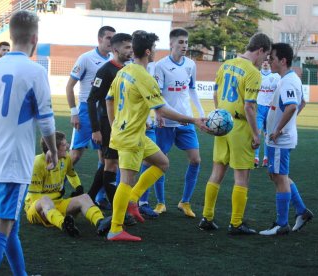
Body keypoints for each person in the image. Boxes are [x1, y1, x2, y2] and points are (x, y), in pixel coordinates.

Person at [0, 11, 58, 275]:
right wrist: (53, 151)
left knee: (10, 225)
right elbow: (47, 121)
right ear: (35, 39)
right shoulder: (35, 72)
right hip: (13, 163)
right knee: (0, 227)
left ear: (11, 36)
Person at [106, 31, 209, 241]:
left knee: (162, 163)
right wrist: (194, 120)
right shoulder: (144, 76)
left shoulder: (124, 71)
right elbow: (161, 110)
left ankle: (134, 199)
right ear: (147, 51)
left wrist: (114, 123)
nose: (155, 51)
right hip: (131, 137)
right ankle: (115, 228)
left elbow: (109, 99)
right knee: (126, 180)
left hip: (133, 133)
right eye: (154, 48)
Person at [198, 32, 271, 235]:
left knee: (217, 172)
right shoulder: (253, 72)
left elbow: (215, 94)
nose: (265, 60)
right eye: (266, 56)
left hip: (223, 125)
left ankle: (207, 217)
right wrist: (256, 134)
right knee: (242, 176)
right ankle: (236, 223)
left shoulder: (226, 64)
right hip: (239, 126)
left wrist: (218, 118)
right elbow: (249, 107)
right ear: (260, 50)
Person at [142, 28, 205, 218]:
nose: (184, 46)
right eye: (180, 42)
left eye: (186, 42)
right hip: (166, 123)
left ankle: (185, 202)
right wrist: (159, 113)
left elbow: (192, 90)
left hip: (186, 122)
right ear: (171, 44)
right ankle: (160, 202)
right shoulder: (159, 66)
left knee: (196, 160)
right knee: (159, 162)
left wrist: (201, 113)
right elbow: (158, 95)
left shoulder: (191, 65)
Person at [259, 43, 313, 235]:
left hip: (279, 140)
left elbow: (291, 107)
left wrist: (279, 129)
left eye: (271, 58)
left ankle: (282, 224)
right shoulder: (289, 79)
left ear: (282, 60)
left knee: (280, 178)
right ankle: (302, 211)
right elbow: (302, 102)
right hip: (278, 138)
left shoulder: (288, 81)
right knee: (276, 175)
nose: (268, 61)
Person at [24, 132, 112, 237]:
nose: (68, 146)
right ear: (54, 149)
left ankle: (100, 222)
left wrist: (78, 187)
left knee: (85, 197)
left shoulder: (66, 158)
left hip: (57, 204)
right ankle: (64, 224)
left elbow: (71, 174)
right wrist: (46, 212)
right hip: (36, 209)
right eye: (64, 145)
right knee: (45, 200)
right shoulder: (38, 163)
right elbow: (35, 198)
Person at [66, 26, 116, 208]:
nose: (111, 41)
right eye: (108, 38)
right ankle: (57, 188)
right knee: (76, 154)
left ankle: (99, 197)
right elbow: (69, 86)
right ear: (100, 39)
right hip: (87, 112)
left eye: (113, 38)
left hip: (105, 113)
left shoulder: (114, 60)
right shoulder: (86, 58)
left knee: (104, 158)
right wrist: (74, 113)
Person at [86, 33, 133, 205]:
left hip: (123, 124)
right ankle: (117, 209)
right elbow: (91, 100)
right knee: (112, 164)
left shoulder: (128, 69)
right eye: (127, 47)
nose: (131, 50)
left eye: (131, 47)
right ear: (115, 49)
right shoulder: (105, 70)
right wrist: (96, 129)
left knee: (110, 163)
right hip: (108, 123)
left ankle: (89, 198)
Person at [254, 59, 281, 168]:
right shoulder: (256, 75)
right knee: (257, 133)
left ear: (270, 63)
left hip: (271, 109)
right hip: (259, 108)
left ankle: (266, 158)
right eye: (263, 61)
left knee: (267, 134)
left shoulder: (276, 77)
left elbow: (279, 92)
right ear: (261, 63)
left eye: (267, 61)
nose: (265, 63)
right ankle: (255, 158)